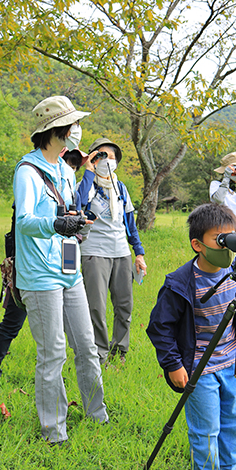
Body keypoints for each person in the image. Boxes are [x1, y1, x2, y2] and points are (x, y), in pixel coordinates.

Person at [13, 96, 108, 444]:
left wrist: (78, 222)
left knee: (87, 344)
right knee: (53, 351)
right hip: (39, 274)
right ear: (57, 131)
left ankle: (98, 415)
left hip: (69, 267)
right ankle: (54, 431)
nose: (78, 131)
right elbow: (24, 221)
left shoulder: (66, 170)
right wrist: (56, 225)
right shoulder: (27, 171)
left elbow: (68, 211)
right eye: (73, 125)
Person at [147, 202, 236, 470]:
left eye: (232, 237)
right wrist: (173, 364)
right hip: (200, 369)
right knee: (206, 432)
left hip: (233, 366)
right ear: (198, 245)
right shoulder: (180, 283)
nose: (228, 246)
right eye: (221, 239)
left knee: (232, 426)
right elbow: (159, 327)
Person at [0, 148, 88, 390]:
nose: (72, 166)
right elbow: (25, 221)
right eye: (69, 159)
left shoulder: (66, 179)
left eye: (75, 164)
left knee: (62, 338)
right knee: (12, 321)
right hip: (31, 266)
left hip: (61, 267)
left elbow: (76, 205)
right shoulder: (33, 175)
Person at [76, 138, 147, 364]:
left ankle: (120, 352)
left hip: (121, 252)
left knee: (124, 306)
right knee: (96, 307)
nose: (108, 160)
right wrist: (88, 171)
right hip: (94, 252)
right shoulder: (86, 184)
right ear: (93, 158)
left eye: (112, 156)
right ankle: (99, 353)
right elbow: (77, 204)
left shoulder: (120, 186)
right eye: (102, 155)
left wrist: (139, 253)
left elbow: (129, 223)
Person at [210, 151, 236, 224]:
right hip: (224, 228)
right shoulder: (216, 184)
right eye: (235, 167)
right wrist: (227, 177)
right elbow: (219, 200)